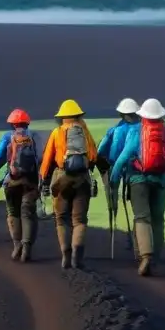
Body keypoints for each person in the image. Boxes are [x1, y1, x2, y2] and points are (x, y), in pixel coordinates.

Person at [110, 98, 165, 277]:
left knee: (142, 218)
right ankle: (155, 257)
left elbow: (122, 157)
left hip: (137, 180)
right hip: (162, 181)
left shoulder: (136, 131)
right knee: (158, 219)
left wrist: (114, 179)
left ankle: (145, 256)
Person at [39, 99, 99, 270]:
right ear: (78, 115)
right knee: (79, 220)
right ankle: (77, 257)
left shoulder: (57, 132)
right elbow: (93, 155)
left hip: (61, 178)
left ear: (62, 117)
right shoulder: (84, 132)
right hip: (82, 179)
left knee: (61, 219)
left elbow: (47, 159)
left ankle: (65, 254)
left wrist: (43, 179)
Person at [0, 108, 44, 263]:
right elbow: (41, 159)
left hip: (11, 181)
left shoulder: (7, 137)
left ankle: (16, 245)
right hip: (31, 183)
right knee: (28, 214)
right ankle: (26, 248)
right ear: (27, 123)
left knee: (13, 212)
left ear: (12, 124)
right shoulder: (35, 136)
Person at [96, 98, 140, 251]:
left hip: (115, 167)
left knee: (113, 198)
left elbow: (100, 150)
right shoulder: (142, 128)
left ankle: (113, 227)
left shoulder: (115, 129)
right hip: (136, 170)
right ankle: (136, 239)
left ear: (121, 114)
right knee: (137, 208)